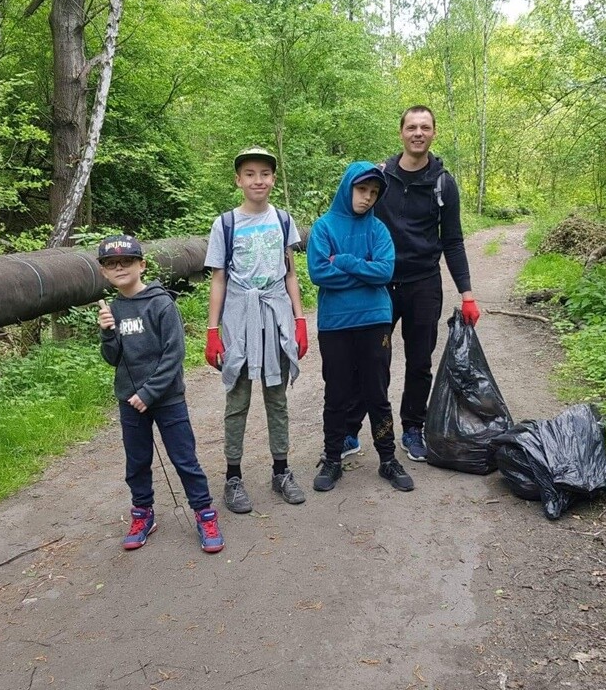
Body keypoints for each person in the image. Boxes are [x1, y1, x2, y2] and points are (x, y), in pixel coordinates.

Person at [348, 106, 481, 462]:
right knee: (372, 357)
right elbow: (356, 221)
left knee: (419, 360)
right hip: (381, 285)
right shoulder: (380, 177)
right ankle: (351, 428)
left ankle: (412, 427)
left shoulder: (443, 184)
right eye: (411, 127)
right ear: (401, 133)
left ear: (433, 133)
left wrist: (467, 293)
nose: (418, 133)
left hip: (424, 284)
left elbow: (452, 240)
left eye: (425, 127)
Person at [96, 234, 224, 554]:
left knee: (184, 459)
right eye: (112, 264)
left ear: (141, 265)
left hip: (166, 398)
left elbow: (174, 354)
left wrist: (149, 392)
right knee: (137, 462)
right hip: (129, 401)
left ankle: (205, 514)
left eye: (127, 261)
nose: (120, 268)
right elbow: (113, 358)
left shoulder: (161, 303)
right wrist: (108, 332)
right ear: (104, 273)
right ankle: (143, 515)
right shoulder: (113, 308)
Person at [204, 146, 308, 513]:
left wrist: (298, 320)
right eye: (249, 174)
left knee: (277, 398)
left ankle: (281, 471)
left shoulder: (282, 220)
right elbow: (218, 279)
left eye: (264, 173)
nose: (258, 180)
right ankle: (233, 477)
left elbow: (291, 273)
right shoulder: (225, 224)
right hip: (239, 319)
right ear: (238, 180)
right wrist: (213, 331)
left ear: (273, 179)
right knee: (238, 398)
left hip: (276, 313)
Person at [307, 162, 415, 493]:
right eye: (361, 190)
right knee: (337, 391)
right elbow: (318, 273)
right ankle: (332, 459)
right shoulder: (324, 228)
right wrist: (363, 269)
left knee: (376, 392)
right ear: (347, 188)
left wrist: (344, 261)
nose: (367, 198)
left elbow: (384, 272)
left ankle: (387, 459)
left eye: (373, 193)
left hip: (375, 320)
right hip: (335, 323)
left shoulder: (378, 230)